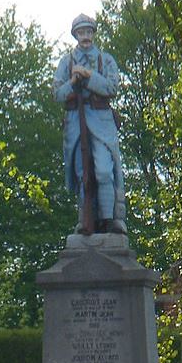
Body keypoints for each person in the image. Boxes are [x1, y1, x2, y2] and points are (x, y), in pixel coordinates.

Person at [53, 13, 127, 235]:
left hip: (102, 121)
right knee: (81, 173)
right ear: (75, 35)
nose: (85, 36)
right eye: (81, 32)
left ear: (93, 34)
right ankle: (86, 221)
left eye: (88, 32)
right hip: (76, 122)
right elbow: (57, 94)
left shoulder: (106, 60)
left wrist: (89, 75)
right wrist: (74, 81)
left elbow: (111, 88)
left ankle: (109, 220)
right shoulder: (67, 62)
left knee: (105, 171)